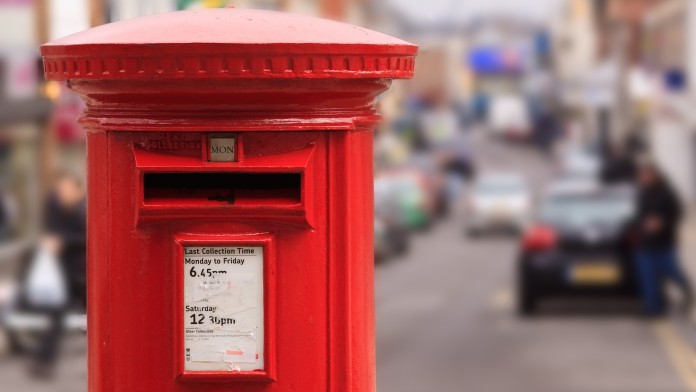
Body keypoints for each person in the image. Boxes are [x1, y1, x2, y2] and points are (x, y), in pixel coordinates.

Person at [30, 170, 87, 378]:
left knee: (90, 320)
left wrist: (62, 242)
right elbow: (51, 228)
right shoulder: (57, 206)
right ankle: (43, 360)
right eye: (59, 189)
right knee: (56, 317)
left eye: (65, 189)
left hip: (85, 275)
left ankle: (95, 360)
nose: (61, 193)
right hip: (65, 274)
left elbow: (88, 238)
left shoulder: (86, 210)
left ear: (77, 189)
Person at [633, 162, 692, 316]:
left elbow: (677, 213)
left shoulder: (667, 192)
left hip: (664, 243)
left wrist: (662, 222)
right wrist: (642, 224)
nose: (643, 178)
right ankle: (653, 309)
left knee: (672, 271)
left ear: (654, 175)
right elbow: (637, 215)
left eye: (646, 175)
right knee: (648, 278)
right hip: (645, 243)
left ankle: (686, 288)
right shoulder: (641, 193)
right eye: (641, 176)